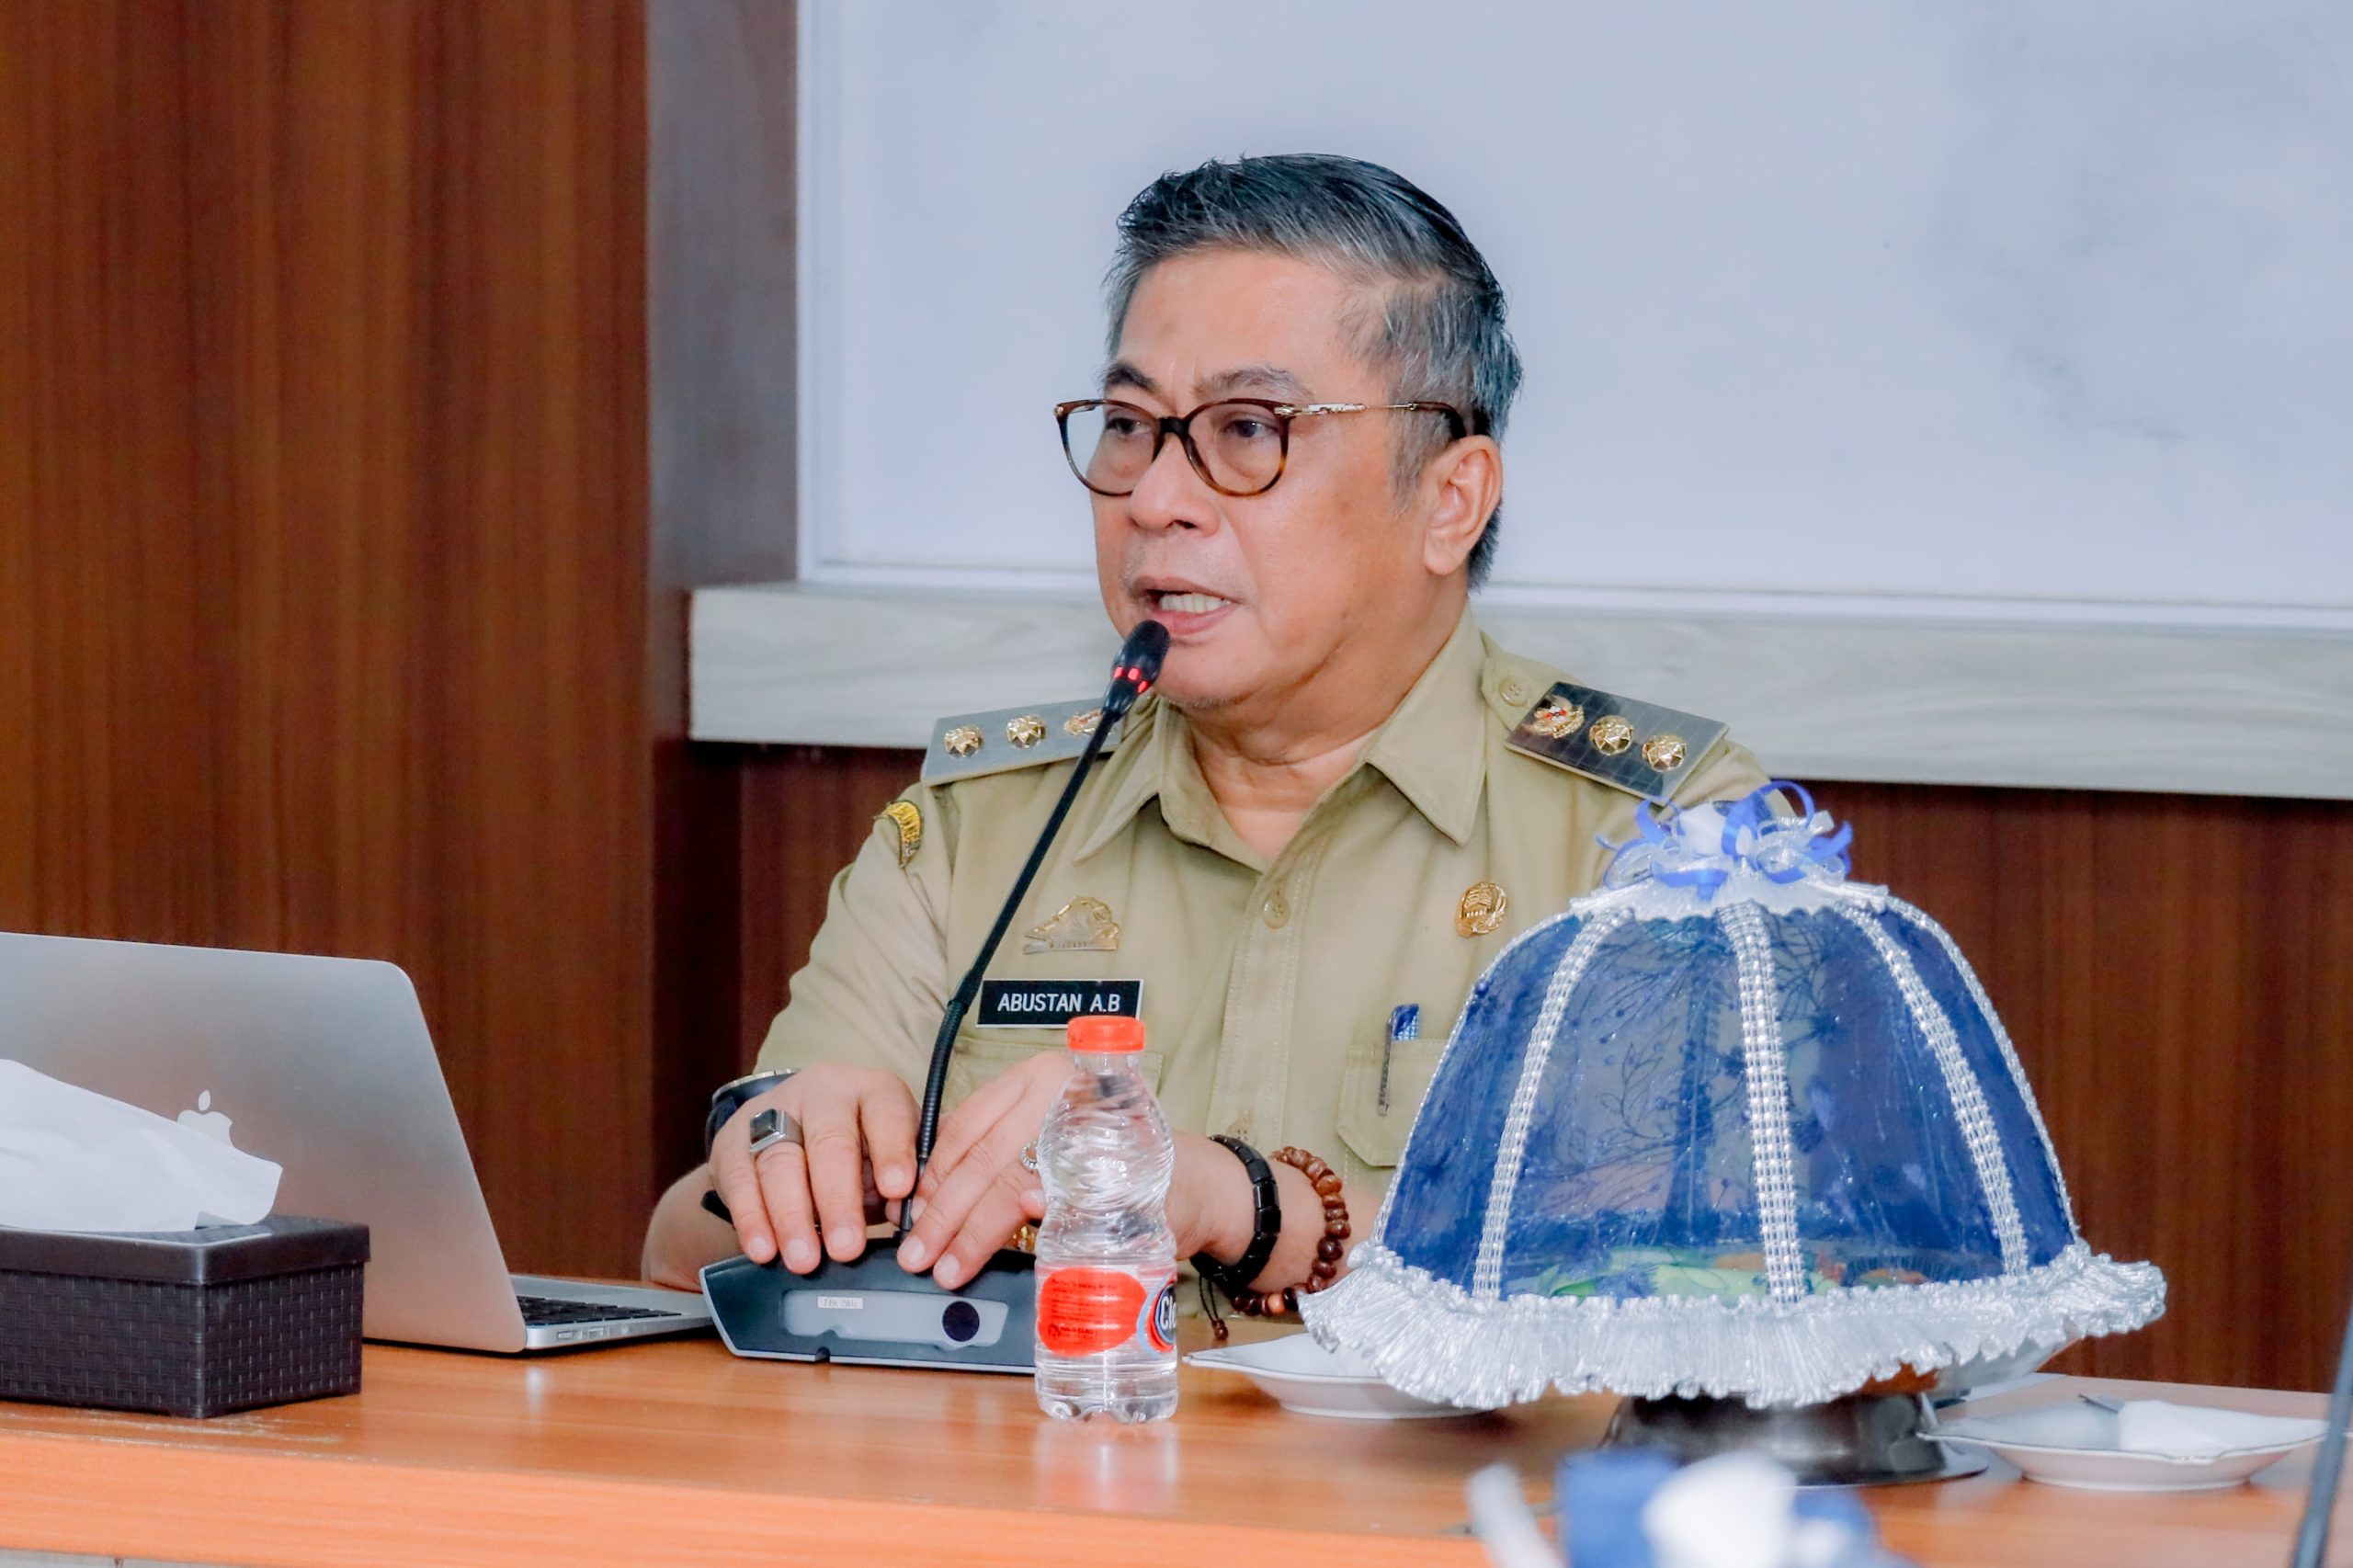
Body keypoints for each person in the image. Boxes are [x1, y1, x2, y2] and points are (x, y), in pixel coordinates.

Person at [643, 153, 1768, 1314]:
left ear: (1450, 500)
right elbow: (683, 1252)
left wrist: (1251, 1208)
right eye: (1131, 425)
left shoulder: (1658, 841)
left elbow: (1745, 1282)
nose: (1153, 498)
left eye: (1246, 428)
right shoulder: (982, 830)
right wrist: (783, 1165)